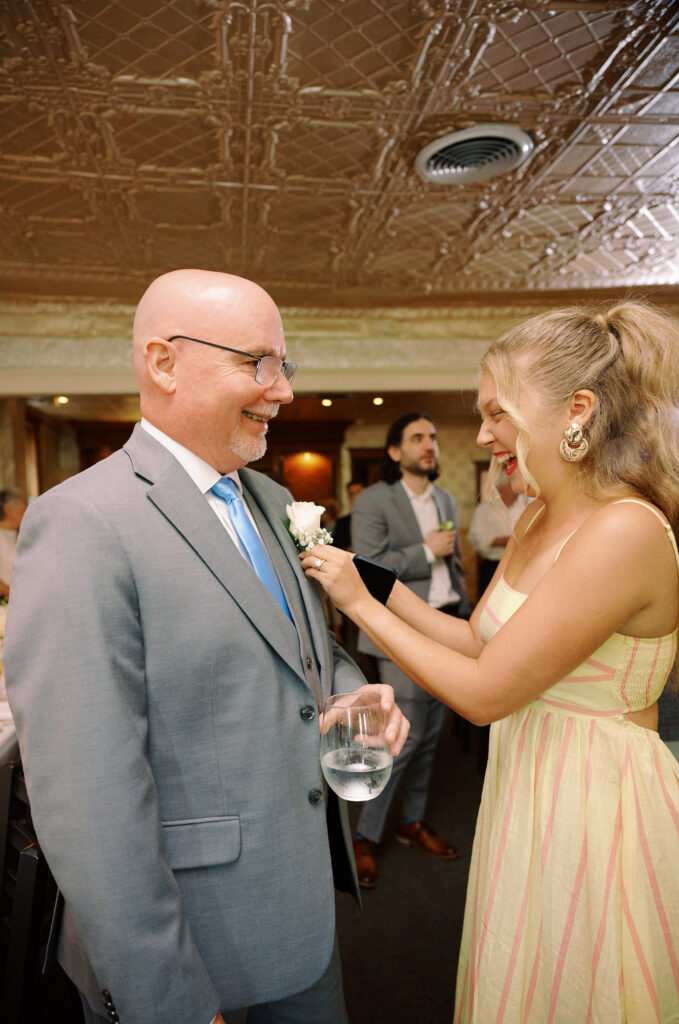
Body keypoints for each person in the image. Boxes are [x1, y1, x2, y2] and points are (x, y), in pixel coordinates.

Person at [4, 269, 409, 1024]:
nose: (281, 389)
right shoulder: (82, 523)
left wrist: (351, 688)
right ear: (163, 363)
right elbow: (87, 794)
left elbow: (302, 649)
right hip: (189, 942)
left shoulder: (273, 499)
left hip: (300, 912)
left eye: (284, 365)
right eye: (255, 362)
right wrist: (168, 997)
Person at [301, 301, 679, 1022]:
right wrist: (365, 578)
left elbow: (481, 694)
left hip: (595, 793)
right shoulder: (539, 513)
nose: (480, 436)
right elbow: (478, 640)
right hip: (529, 774)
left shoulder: (624, 530)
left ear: (576, 409)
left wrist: (358, 607)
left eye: (495, 413)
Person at [349, 413, 471, 887]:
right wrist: (424, 550)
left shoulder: (445, 498)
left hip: (447, 626)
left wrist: (465, 613)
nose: (429, 445)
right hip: (398, 631)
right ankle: (365, 835)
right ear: (395, 451)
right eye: (417, 438)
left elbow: (453, 565)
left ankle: (409, 822)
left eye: (434, 438)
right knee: (402, 737)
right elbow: (366, 567)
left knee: (431, 733)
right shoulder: (375, 501)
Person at [467, 474, 527, 595]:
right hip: (493, 566)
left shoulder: (527, 508)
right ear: (501, 488)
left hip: (520, 566)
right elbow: (477, 538)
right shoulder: (485, 509)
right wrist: (507, 541)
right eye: (511, 484)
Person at [0, 487, 27, 599]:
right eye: (23, 506)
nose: (26, 510)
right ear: (8, 509)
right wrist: (17, 596)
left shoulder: (23, 535)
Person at [332, 481, 365, 552]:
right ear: (349, 498)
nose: (356, 496)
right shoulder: (342, 522)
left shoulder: (377, 519)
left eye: (359, 492)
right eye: (352, 494)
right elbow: (336, 548)